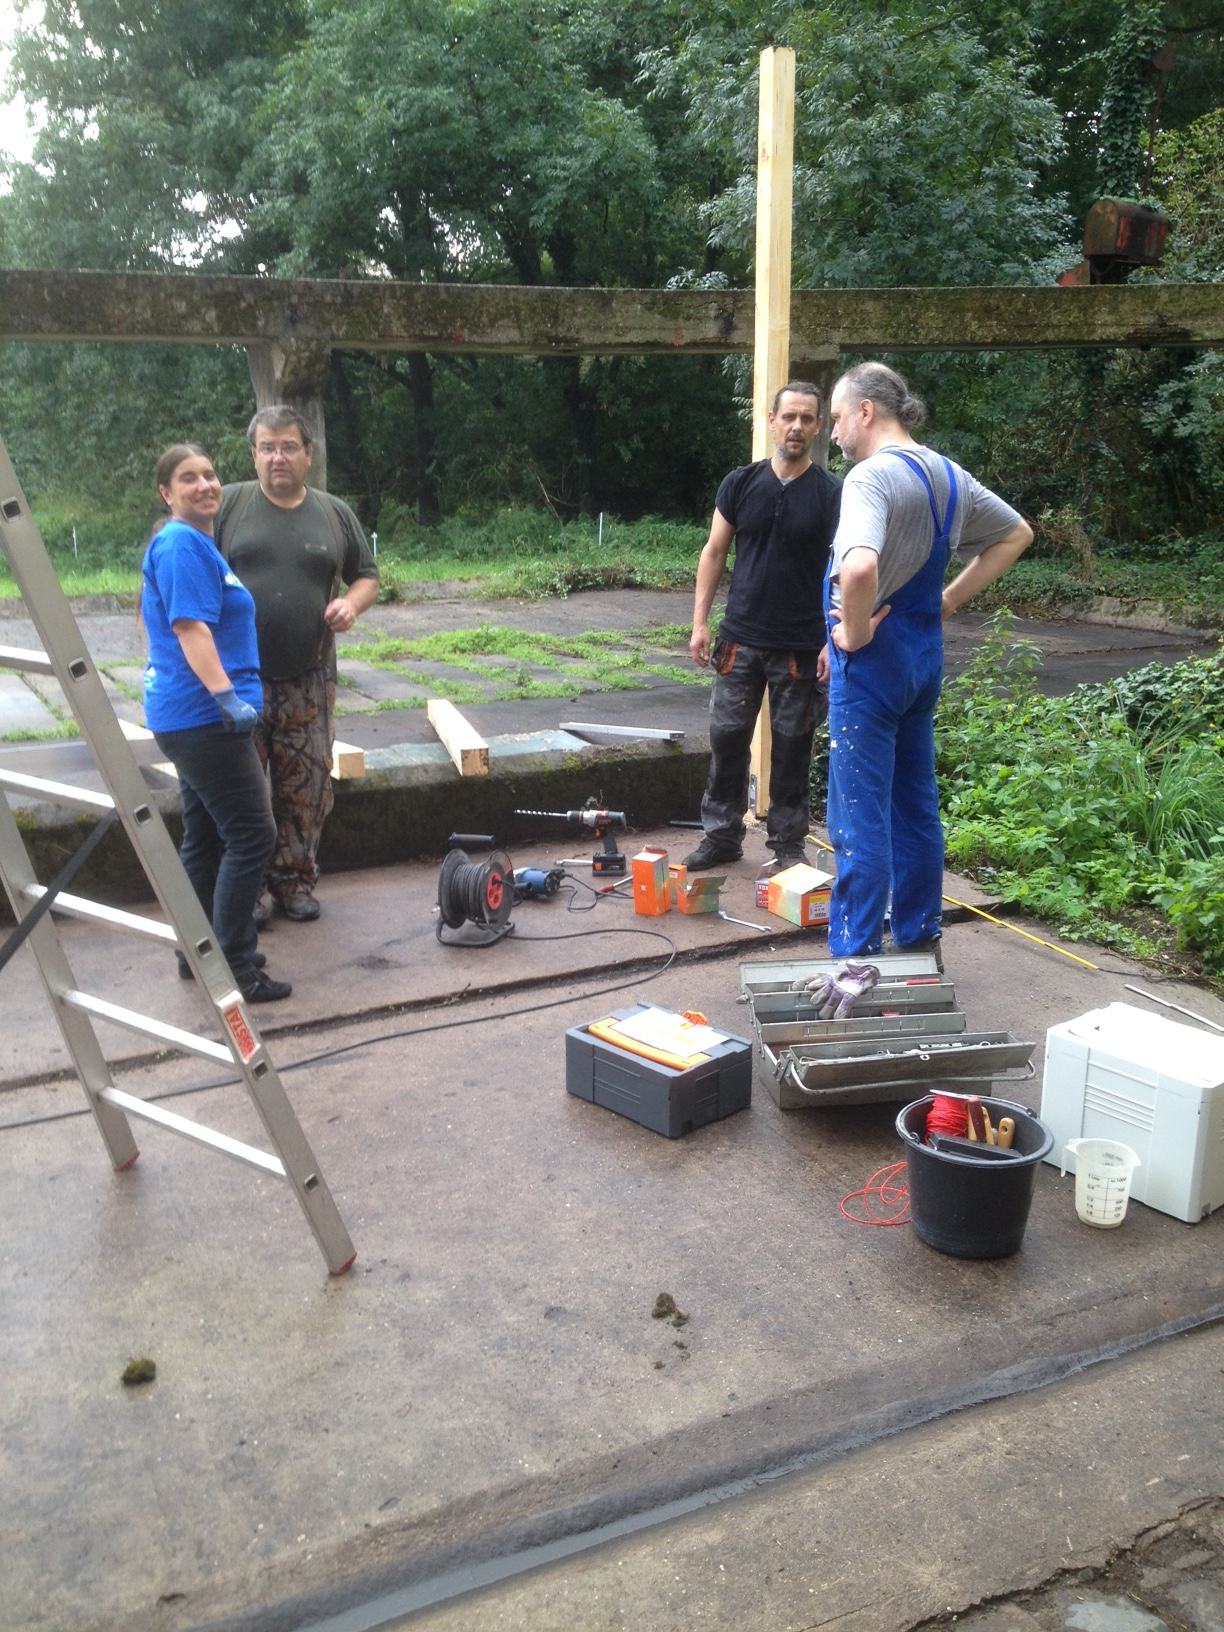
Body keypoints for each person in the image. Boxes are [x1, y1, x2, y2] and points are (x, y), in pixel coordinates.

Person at [824, 361, 1033, 962]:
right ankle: (918, 938)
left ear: (866, 411)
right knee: (915, 805)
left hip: (872, 667)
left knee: (859, 815)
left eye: (836, 418)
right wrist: (948, 600)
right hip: (921, 661)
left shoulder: (869, 478)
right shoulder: (948, 473)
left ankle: (855, 959)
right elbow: (1017, 534)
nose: (833, 433)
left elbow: (859, 568)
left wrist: (853, 634)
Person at [215, 407, 380, 923]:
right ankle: (246, 894)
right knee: (241, 794)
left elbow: (367, 575)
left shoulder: (333, 513)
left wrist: (351, 604)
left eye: (288, 447)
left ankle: (293, 883)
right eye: (267, 448)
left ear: (309, 454)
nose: (277, 457)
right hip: (237, 682)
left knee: (307, 789)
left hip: (309, 679)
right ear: (253, 455)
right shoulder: (229, 507)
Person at [142, 444, 291, 1003]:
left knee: (204, 837)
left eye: (209, 474)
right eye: (188, 478)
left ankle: (197, 952)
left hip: (191, 718)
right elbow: (191, 629)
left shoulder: (196, 544)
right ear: (166, 493)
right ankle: (233, 965)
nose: (204, 485)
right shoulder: (181, 544)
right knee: (253, 835)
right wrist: (226, 697)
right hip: (205, 719)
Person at [685, 381, 842, 874]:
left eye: (807, 419)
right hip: (739, 641)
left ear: (818, 427)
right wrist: (700, 623)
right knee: (726, 739)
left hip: (801, 646)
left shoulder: (832, 494)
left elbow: (844, 569)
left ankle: (789, 845)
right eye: (788, 416)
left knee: (793, 747)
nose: (796, 426)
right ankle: (721, 836)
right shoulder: (740, 483)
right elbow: (714, 552)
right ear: (771, 421)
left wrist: (831, 640)